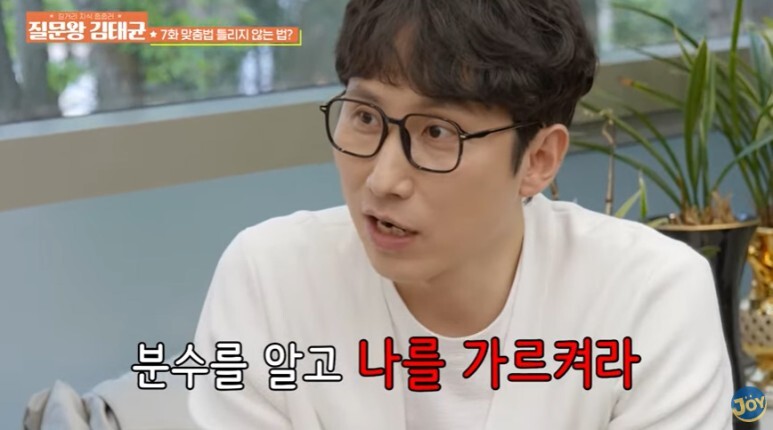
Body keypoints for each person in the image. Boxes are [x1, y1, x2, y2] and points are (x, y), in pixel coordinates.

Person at [189, 0, 733, 428]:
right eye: (365, 117)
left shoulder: (648, 297)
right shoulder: (269, 277)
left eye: (436, 132)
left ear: (538, 160)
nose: (383, 180)